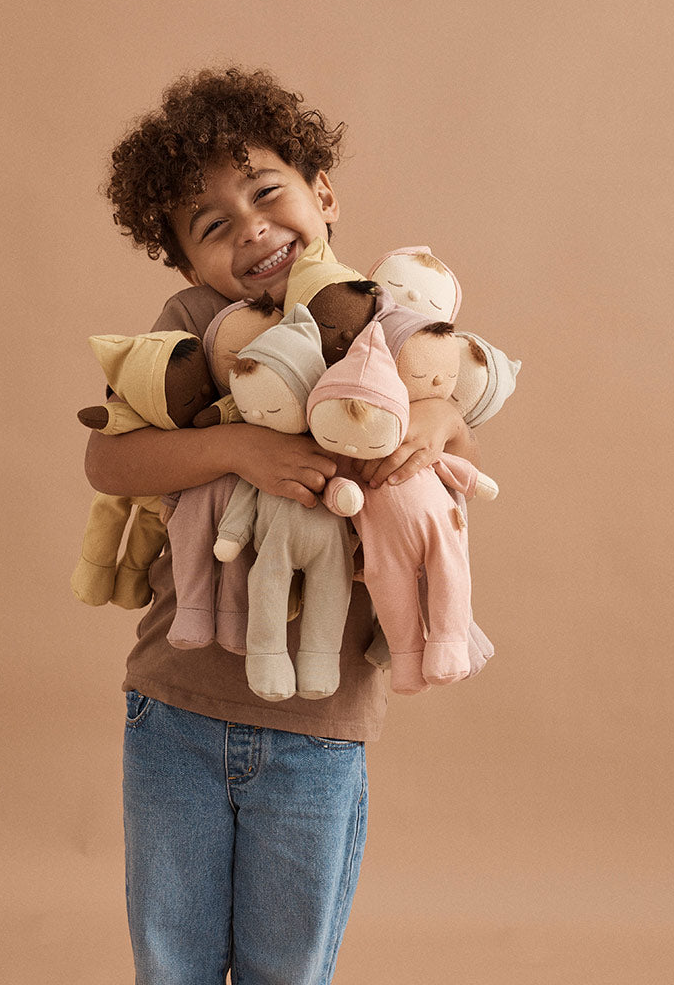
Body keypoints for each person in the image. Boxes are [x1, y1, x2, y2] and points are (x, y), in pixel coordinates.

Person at [85, 66, 500, 985]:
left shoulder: (385, 321)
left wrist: (437, 423)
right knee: (172, 963)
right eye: (214, 225)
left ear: (322, 192)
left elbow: (450, 405)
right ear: (187, 263)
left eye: (267, 193)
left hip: (321, 727)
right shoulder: (191, 331)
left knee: (290, 968)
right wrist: (238, 446)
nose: (253, 229)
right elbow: (109, 463)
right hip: (175, 710)